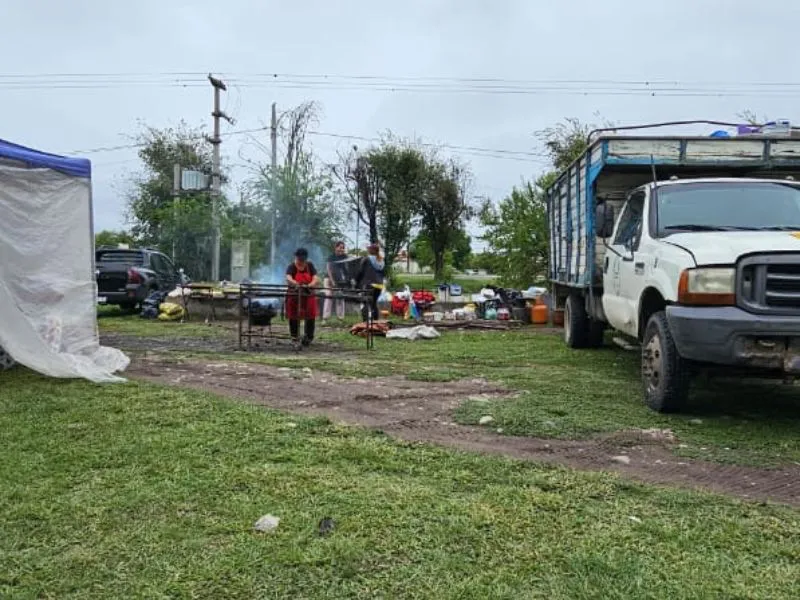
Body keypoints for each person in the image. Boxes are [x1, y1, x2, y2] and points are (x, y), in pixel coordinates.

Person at [285, 248, 320, 346]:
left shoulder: (310, 266)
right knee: (294, 316)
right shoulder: (291, 266)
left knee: (310, 316)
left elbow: (315, 278)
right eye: (299, 260)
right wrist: (296, 284)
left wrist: (310, 285)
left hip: (308, 294)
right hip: (294, 295)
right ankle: (295, 337)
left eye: (303, 260)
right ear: (295, 257)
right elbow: (288, 278)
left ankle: (308, 337)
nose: (301, 262)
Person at [356, 243, 385, 321]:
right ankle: (375, 321)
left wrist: (356, 282)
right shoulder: (381, 261)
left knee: (365, 302)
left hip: (369, 284)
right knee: (374, 303)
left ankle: (366, 322)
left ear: (370, 250)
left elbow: (360, 272)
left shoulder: (366, 259)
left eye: (368, 249)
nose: (367, 250)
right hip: (379, 285)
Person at [323, 241, 349, 322]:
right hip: (329, 279)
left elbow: (346, 269)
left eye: (343, 248)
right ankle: (325, 318)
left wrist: (347, 279)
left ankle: (340, 318)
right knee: (329, 297)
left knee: (340, 298)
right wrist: (332, 281)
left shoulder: (344, 257)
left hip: (340, 280)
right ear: (336, 247)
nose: (341, 249)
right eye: (340, 247)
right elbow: (329, 270)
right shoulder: (331, 257)